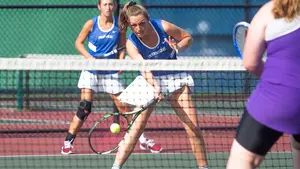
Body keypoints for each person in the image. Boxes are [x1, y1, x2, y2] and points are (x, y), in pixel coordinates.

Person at [111, 2, 209, 169]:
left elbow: (187, 38)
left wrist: (178, 46)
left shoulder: (163, 26)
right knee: (135, 129)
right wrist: (156, 86)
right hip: (149, 79)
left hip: (175, 77)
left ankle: (204, 168)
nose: (138, 28)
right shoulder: (131, 44)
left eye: (142, 23)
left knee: (194, 128)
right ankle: (116, 167)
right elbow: (144, 68)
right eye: (133, 25)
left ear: (148, 19)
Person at [61, 0, 162, 155]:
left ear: (114, 6)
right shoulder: (91, 24)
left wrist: (121, 61)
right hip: (91, 71)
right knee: (85, 108)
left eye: (111, 4)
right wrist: (89, 58)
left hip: (109, 72)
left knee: (125, 108)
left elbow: (122, 47)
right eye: (105, 4)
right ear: (99, 6)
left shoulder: (119, 26)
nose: (108, 7)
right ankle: (68, 142)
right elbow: (78, 43)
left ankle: (142, 140)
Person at [226, 0, 300, 168]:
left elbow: (250, 63)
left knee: (244, 161)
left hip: (277, 100)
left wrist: (274, 76)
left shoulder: (271, 10)